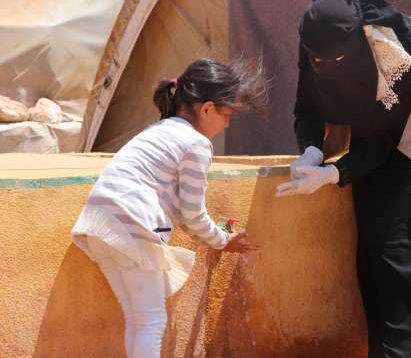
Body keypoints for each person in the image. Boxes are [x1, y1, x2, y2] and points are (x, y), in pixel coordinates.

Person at [277, 0, 411, 357]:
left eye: (333, 60)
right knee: (377, 256)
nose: (324, 66)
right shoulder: (317, 45)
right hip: (371, 150)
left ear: (355, 43)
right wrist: (311, 152)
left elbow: (387, 134)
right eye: (316, 59)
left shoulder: (392, 49)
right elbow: (307, 108)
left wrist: (335, 174)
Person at [71, 58, 267, 358]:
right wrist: (223, 240)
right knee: (151, 321)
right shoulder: (196, 145)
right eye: (228, 114)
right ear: (207, 109)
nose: (227, 123)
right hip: (131, 225)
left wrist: (216, 234)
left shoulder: (162, 130)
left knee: (138, 318)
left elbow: (184, 214)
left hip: (99, 224)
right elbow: (192, 213)